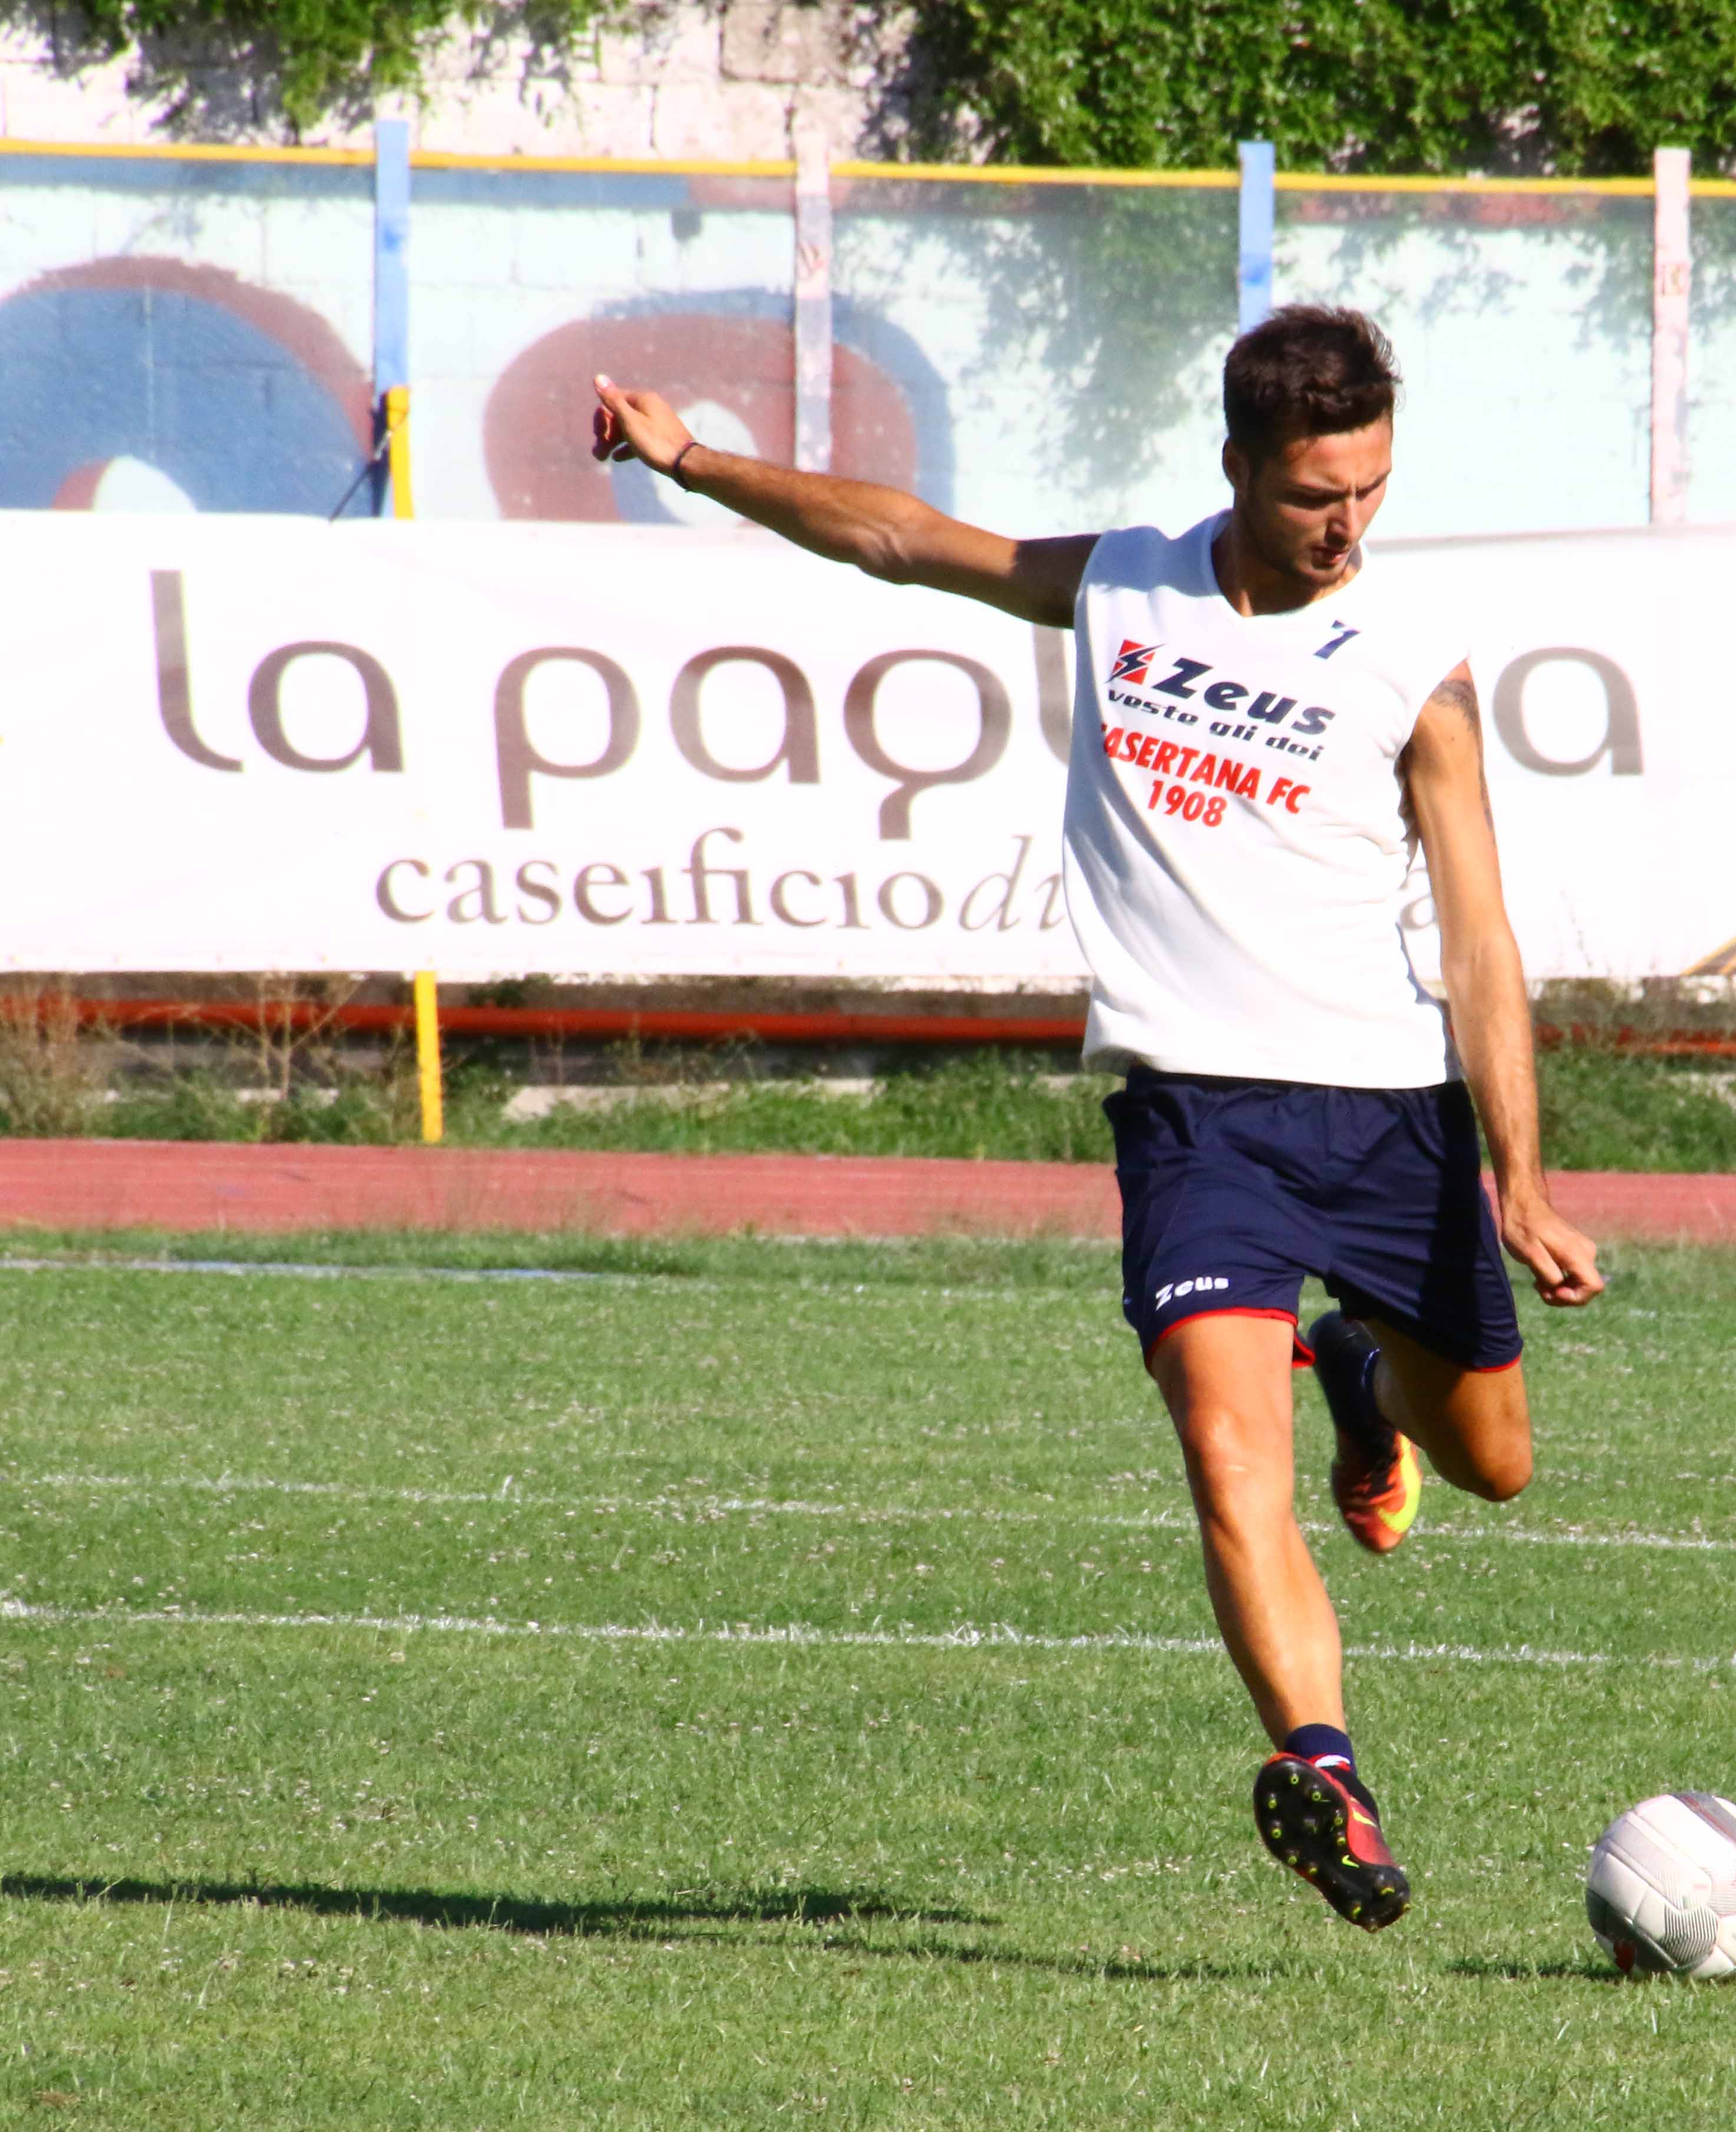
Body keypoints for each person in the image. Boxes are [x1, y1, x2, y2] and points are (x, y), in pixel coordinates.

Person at [589, 305, 1602, 1931]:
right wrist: (696, 462)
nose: (1347, 525)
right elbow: (901, 541)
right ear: (1237, 466)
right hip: (1197, 1120)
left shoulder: (1416, 664)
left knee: (1493, 1463)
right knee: (1225, 1454)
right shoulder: (1127, 584)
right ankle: (1325, 1773)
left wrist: (1521, 1179)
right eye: (1315, 494)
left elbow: (1480, 936)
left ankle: (1356, 1371)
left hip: (1388, 1121)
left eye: (1371, 488)